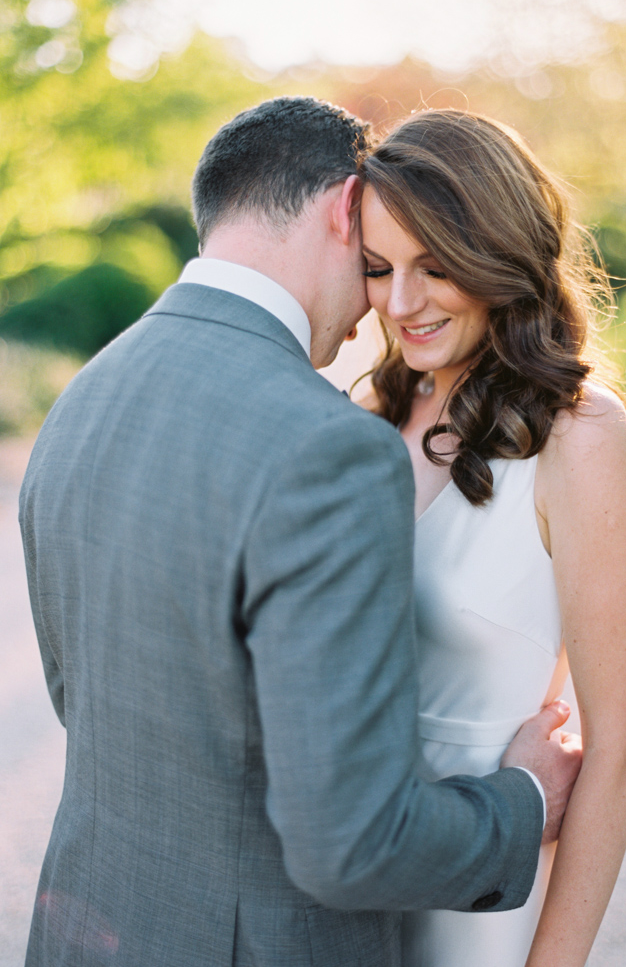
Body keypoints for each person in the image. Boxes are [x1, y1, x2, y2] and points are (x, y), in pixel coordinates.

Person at [19, 97, 582, 967]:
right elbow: (350, 844)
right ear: (344, 207)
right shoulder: (332, 449)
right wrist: (523, 805)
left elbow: (91, 703)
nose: (374, 310)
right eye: (371, 262)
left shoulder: (82, 400)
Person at [358, 109, 626, 967]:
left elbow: (620, 743)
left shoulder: (579, 436)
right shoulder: (364, 421)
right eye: (379, 269)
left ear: (499, 257)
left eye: (437, 266)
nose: (401, 303)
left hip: (481, 896)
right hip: (345, 881)